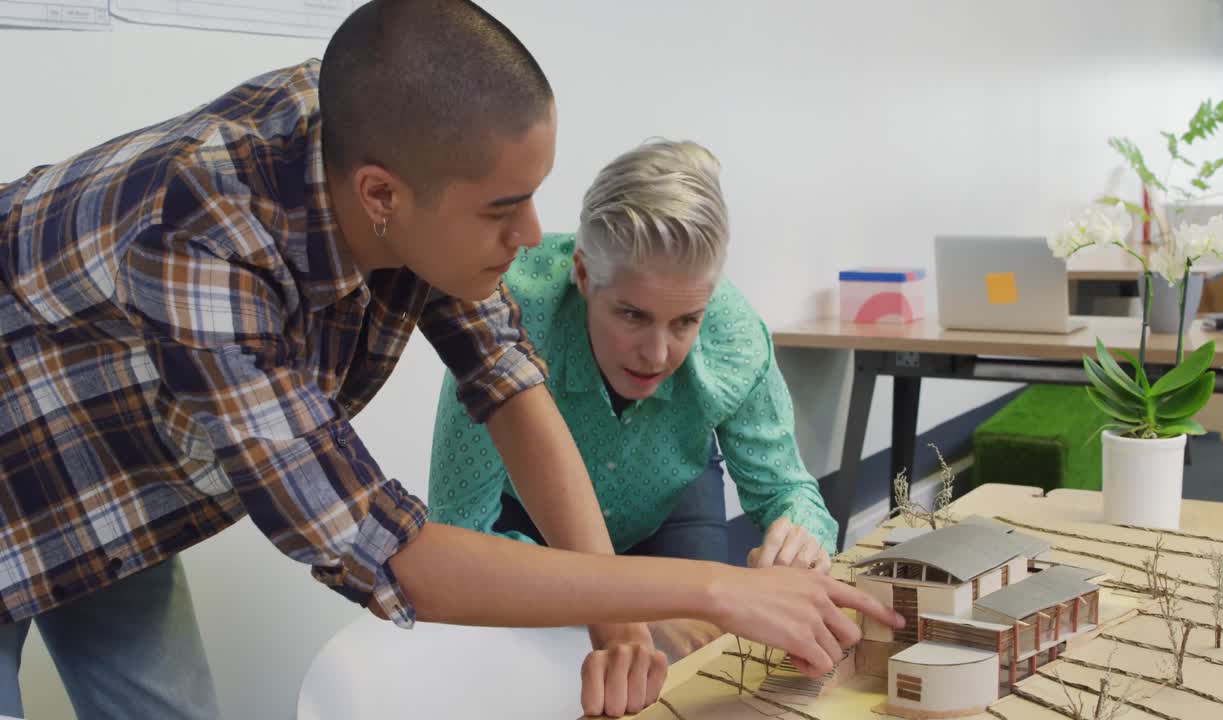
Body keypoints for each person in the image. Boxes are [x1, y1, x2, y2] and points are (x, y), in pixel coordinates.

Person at [0, 2, 901, 718]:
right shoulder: (203, 241)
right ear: (382, 196)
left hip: (109, 471)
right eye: (504, 208)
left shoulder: (390, 141)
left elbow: (510, 388)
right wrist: (713, 587)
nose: (535, 237)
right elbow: (393, 556)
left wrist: (618, 623)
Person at [430, 139, 840, 663]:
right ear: (583, 275)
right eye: (632, 315)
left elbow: (789, 492)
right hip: (523, 525)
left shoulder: (735, 340)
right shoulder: (508, 314)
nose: (657, 354)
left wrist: (799, 539)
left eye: (686, 321)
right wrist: (630, 606)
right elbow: (460, 534)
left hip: (670, 504)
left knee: (699, 663)